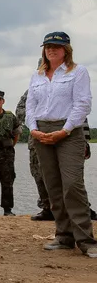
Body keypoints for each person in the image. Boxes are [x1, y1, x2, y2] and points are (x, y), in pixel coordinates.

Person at [25, 31, 97, 258]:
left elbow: (83, 104)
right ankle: (64, 236)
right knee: (53, 186)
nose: (51, 50)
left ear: (66, 49)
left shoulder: (78, 72)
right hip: (41, 132)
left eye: (56, 46)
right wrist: (33, 129)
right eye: (47, 46)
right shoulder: (37, 76)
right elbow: (30, 106)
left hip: (68, 132)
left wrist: (64, 130)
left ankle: (86, 240)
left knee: (72, 184)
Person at [16, 87, 54, 221]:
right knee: (38, 175)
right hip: (37, 139)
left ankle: (73, 208)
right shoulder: (33, 90)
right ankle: (47, 208)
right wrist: (39, 116)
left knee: (68, 176)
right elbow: (19, 111)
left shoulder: (67, 84)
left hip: (61, 139)